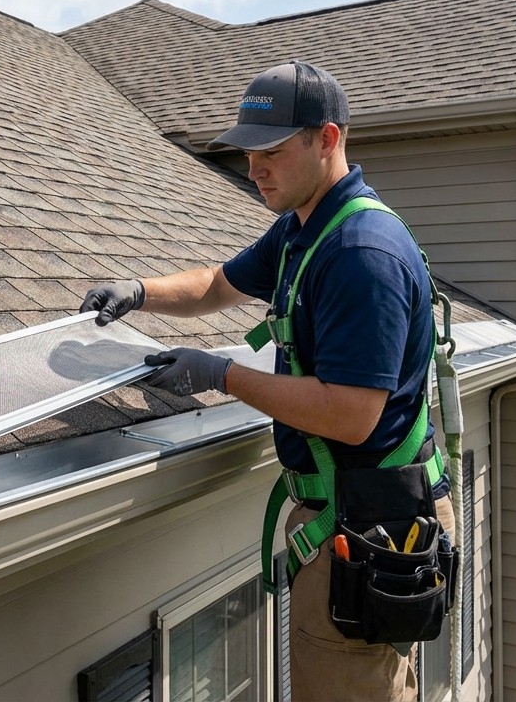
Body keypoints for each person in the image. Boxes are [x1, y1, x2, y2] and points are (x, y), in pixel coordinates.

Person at [80, 61, 455, 702]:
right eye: (249, 152)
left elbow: (349, 414)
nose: (254, 169)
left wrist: (220, 373)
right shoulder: (302, 230)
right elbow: (218, 285)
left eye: (272, 152)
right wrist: (139, 292)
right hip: (348, 514)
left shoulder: (361, 254)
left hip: (366, 522)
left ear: (327, 140)